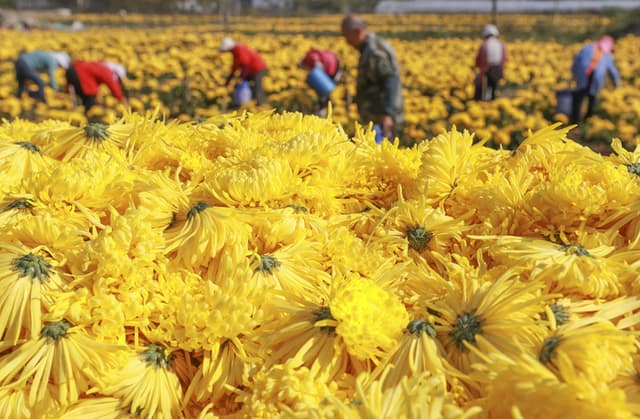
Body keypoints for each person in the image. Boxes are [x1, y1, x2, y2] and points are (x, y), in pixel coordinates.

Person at [341, 14, 403, 141]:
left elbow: (389, 80)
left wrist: (387, 113)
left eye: (347, 36)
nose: (346, 41)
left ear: (357, 32)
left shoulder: (373, 51)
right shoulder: (369, 47)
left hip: (381, 117)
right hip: (376, 114)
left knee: (383, 156)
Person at [570, 35, 620, 124]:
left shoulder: (588, 47)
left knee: (578, 97)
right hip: (595, 78)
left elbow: (577, 58)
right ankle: (587, 120)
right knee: (592, 98)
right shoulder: (607, 54)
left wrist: (574, 71)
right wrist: (616, 83)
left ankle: (575, 121)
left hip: (583, 75)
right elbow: (613, 71)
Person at [220, 37, 267, 106]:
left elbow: (245, 65)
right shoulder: (235, 52)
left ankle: (260, 104)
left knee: (257, 86)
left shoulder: (240, 49)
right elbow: (234, 67)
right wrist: (228, 81)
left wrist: (241, 78)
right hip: (250, 70)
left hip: (258, 69)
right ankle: (248, 102)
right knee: (244, 85)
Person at [299, 49, 342, 116]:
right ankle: (327, 108)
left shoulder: (310, 56)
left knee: (323, 90)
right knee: (328, 91)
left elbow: (318, 65)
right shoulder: (311, 54)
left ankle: (325, 110)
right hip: (334, 62)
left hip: (331, 67)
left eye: (304, 68)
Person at [474, 24, 507, 102]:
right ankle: (493, 102)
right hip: (498, 69)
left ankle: (485, 103)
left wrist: (480, 71)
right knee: (494, 88)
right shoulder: (501, 44)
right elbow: (505, 59)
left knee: (485, 90)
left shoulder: (484, 45)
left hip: (487, 69)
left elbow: (479, 60)